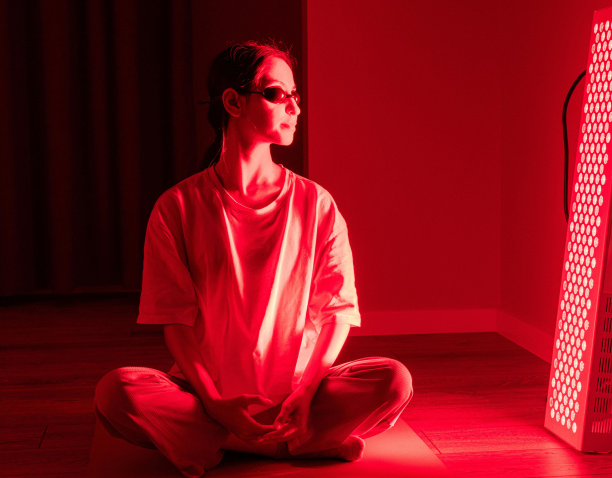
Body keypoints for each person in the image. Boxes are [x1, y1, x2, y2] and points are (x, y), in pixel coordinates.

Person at [94, 41, 413, 478]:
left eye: (295, 96)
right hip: (208, 397)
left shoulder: (316, 204)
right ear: (232, 101)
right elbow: (177, 324)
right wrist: (215, 403)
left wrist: (306, 390)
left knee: (394, 382)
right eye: (278, 94)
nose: (294, 107)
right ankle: (288, 444)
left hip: (301, 392)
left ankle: (238, 441)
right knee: (116, 393)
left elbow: (337, 313)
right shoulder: (177, 207)